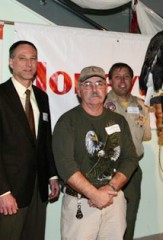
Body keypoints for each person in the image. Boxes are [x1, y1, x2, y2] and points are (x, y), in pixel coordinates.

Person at [52, 66, 139, 239]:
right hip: (81, 204)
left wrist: (111, 187)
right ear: (78, 91)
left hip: (113, 200)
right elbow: (65, 166)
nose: (94, 89)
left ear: (106, 89)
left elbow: (130, 159)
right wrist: (94, 194)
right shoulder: (67, 122)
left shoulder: (118, 121)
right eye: (87, 84)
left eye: (99, 83)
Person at [0, 40, 60, 240]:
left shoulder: (42, 97)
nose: (28, 64)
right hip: (10, 190)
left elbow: (45, 141)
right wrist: (2, 192)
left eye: (32, 59)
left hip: (38, 188)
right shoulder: (0, 95)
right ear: (11, 62)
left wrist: (52, 176)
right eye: (22, 58)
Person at [105, 62, 151, 240]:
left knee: (130, 216)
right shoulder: (101, 104)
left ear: (132, 80)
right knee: (106, 217)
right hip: (107, 170)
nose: (122, 80)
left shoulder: (141, 105)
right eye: (117, 76)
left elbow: (145, 136)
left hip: (132, 169)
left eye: (126, 76)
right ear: (110, 81)